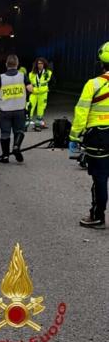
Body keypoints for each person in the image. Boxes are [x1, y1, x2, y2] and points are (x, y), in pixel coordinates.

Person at [69, 42, 109, 229]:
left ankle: (97, 215)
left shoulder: (93, 84)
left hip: (98, 138)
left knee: (100, 178)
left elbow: (82, 112)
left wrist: (75, 136)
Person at [0, 55, 33, 163]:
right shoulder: (22, 76)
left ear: (6, 65)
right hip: (19, 109)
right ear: (17, 64)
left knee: (5, 133)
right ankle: (16, 146)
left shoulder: (1, 77)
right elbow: (30, 89)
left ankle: (5, 156)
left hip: (5, 111)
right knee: (19, 130)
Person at [28, 57, 53, 130]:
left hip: (43, 94)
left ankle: (38, 125)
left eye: (41, 63)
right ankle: (25, 124)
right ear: (36, 64)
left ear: (44, 64)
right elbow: (27, 82)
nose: (40, 65)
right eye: (38, 63)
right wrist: (29, 90)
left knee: (41, 109)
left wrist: (49, 89)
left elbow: (53, 81)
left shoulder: (48, 73)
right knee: (30, 107)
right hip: (34, 93)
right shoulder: (32, 73)